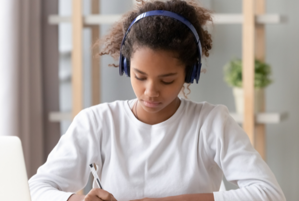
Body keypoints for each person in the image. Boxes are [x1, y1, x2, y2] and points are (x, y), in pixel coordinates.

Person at [28, 0, 286, 201]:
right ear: (126, 66)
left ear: (190, 73)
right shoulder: (97, 121)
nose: (150, 91)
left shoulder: (211, 123)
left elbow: (269, 193)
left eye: (167, 80)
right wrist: (78, 198)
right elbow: (35, 189)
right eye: (140, 77)